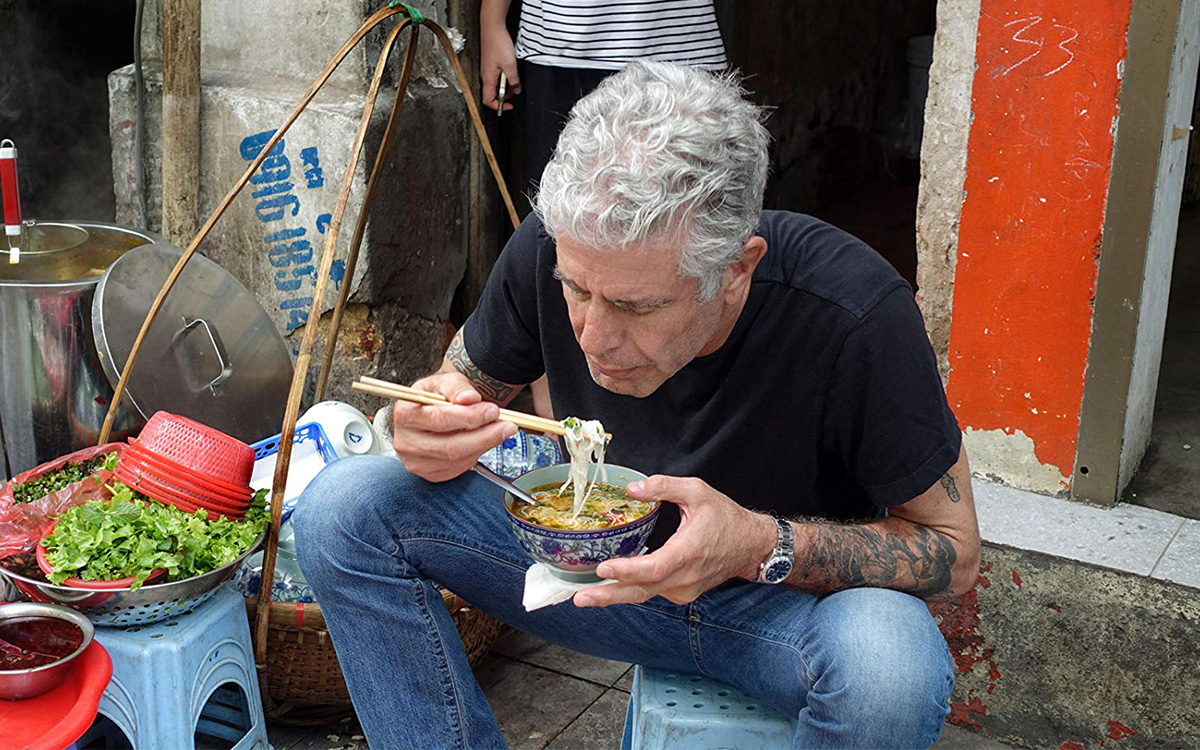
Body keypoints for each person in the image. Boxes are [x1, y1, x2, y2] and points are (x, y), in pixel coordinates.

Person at [294, 61, 980, 749]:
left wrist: (756, 543)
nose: (594, 336)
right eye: (578, 292)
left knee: (890, 671)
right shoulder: (559, 243)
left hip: (779, 613)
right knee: (346, 508)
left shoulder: (854, 312)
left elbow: (953, 552)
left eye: (636, 305)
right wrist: (426, 424)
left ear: (736, 271)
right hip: (597, 574)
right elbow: (456, 390)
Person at [480, 0, 728, 188]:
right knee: (565, 216)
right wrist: (491, 21)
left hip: (680, 44)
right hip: (562, 44)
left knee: (687, 211)